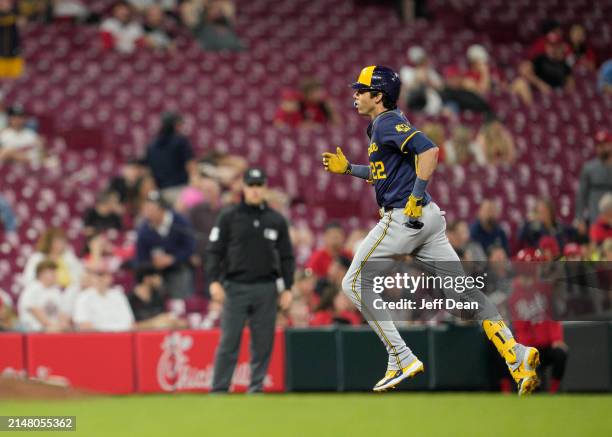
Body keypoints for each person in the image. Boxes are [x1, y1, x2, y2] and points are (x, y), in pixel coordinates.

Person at [321, 65, 539, 394]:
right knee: (463, 292)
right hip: (429, 220)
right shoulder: (382, 126)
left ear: (378, 96)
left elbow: (430, 150)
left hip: (404, 218)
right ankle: (516, 355)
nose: (355, 94)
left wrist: (416, 194)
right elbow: (385, 174)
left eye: (362, 90)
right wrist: (351, 169)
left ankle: (401, 356)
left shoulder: (386, 121)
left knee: (352, 282)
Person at [206, 167, 295, 393]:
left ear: (265, 188)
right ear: (243, 188)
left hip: (266, 287)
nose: (255, 190)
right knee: (229, 341)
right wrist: (213, 281)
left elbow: (287, 256)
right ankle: (219, 389)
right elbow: (215, 250)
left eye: (259, 185)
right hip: (235, 286)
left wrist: (288, 288)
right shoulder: (228, 216)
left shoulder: (276, 220)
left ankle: (256, 388)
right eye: (251, 185)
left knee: (263, 342)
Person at [136, 191, 196, 299]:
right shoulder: (144, 229)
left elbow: (190, 247)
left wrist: (173, 259)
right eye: (146, 209)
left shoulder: (179, 222)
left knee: (181, 287)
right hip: (156, 273)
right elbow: (141, 256)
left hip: (178, 268)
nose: (148, 214)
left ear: (162, 209)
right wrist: (152, 263)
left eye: (152, 210)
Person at [145, 112, 196, 204]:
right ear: (175, 125)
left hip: (161, 192)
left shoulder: (152, 145)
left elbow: (149, 171)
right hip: (180, 190)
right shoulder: (180, 141)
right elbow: (190, 165)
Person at [73, 261, 135, 331]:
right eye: (97, 275)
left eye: (104, 275)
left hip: (121, 336)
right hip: (97, 338)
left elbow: (130, 323)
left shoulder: (118, 295)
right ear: (92, 277)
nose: (101, 278)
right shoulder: (84, 297)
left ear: (110, 277)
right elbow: (84, 325)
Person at [18, 260, 71, 332]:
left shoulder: (56, 290)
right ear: (41, 274)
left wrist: (63, 324)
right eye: (51, 272)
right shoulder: (32, 289)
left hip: (53, 329)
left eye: (55, 271)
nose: (55, 274)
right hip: (34, 331)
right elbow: (36, 312)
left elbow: (62, 313)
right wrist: (54, 326)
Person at [128, 265, 186, 330]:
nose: (160, 280)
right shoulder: (129, 299)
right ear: (147, 279)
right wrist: (154, 323)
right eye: (157, 276)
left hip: (158, 335)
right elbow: (130, 325)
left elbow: (164, 319)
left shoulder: (158, 297)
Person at [575, 130, 612, 229]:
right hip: (596, 218)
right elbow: (581, 195)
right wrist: (580, 218)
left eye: (605, 145)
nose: (602, 149)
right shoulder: (589, 168)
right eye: (599, 146)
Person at [399, 46, 443, 116]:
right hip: (413, 100)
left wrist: (428, 79)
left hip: (431, 101)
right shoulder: (406, 70)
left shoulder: (429, 71)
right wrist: (418, 77)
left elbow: (440, 87)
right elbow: (409, 87)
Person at [0, 0, 24, 79]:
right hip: (1, 56)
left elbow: (22, 23)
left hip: (14, 54)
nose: (3, 4)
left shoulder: (16, 13)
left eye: (6, 2)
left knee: (16, 81)